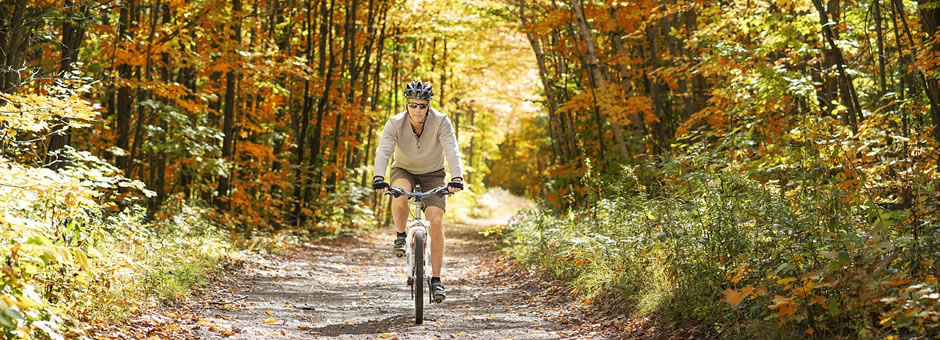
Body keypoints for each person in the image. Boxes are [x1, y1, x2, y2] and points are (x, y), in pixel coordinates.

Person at [372, 80, 464, 303]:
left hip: (433, 173)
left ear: (429, 105)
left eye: (422, 105)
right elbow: (384, 149)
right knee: (400, 192)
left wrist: (457, 177)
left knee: (436, 219)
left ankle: (436, 280)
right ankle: (401, 235)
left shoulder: (441, 121)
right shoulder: (394, 123)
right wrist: (378, 177)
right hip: (404, 170)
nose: (417, 110)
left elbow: (452, 149)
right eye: (413, 105)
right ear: (407, 104)